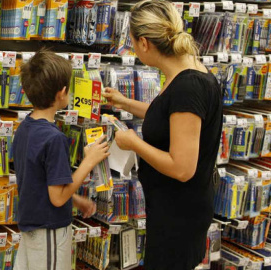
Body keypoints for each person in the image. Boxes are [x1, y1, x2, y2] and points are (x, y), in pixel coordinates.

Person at [103, 0, 223, 269]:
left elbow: (182, 168)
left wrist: (134, 143)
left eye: (133, 43)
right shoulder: (186, 73)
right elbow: (172, 119)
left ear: (144, 43)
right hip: (173, 208)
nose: (134, 49)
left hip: (179, 215)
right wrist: (126, 103)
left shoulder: (187, 87)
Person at [13, 50, 110, 270]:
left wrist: (76, 200)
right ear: (62, 93)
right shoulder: (54, 139)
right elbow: (57, 198)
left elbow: (40, 183)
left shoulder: (25, 128)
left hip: (31, 228)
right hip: (49, 231)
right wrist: (89, 161)